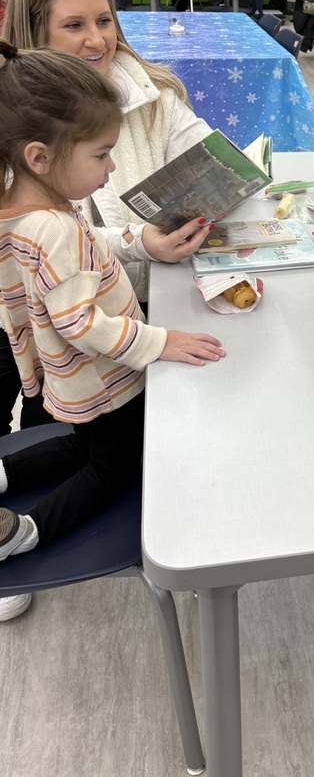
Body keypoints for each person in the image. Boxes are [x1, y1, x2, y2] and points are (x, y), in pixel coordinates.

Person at [0, 42, 225, 617]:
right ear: (40, 157)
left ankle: (6, 472)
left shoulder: (20, 212)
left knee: (82, 445)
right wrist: (160, 343)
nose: (113, 168)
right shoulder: (56, 228)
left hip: (68, 379)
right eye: (102, 155)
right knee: (114, 466)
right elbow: (82, 323)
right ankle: (25, 531)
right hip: (106, 377)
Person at [0, 0, 212, 466]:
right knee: (99, 461)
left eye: (104, 21)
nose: (97, 41)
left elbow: (204, 152)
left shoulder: (148, 92)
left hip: (136, 314)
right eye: (74, 25)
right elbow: (62, 275)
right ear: (35, 37)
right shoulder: (14, 130)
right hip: (67, 347)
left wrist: (210, 194)